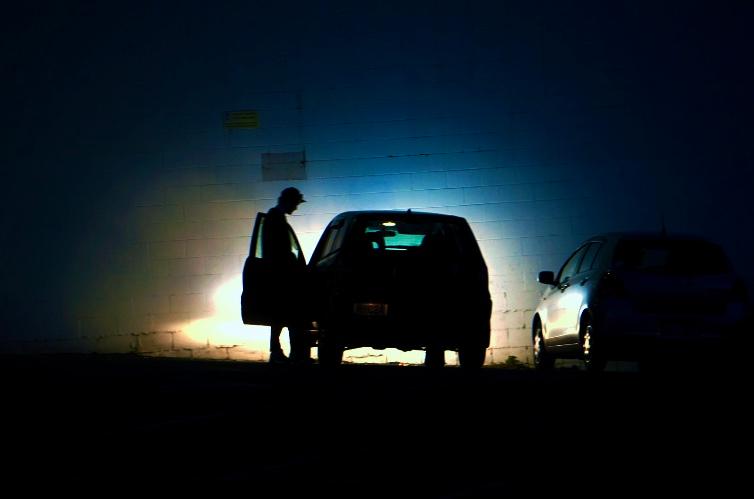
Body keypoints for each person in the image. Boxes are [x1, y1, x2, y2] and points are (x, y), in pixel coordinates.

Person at [262, 187, 312, 365]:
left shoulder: (274, 217)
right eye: (296, 203)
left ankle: (285, 352)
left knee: (281, 316)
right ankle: (288, 353)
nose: (297, 208)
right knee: (285, 315)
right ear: (289, 201)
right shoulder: (275, 219)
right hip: (281, 276)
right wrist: (291, 260)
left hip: (279, 275)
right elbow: (278, 250)